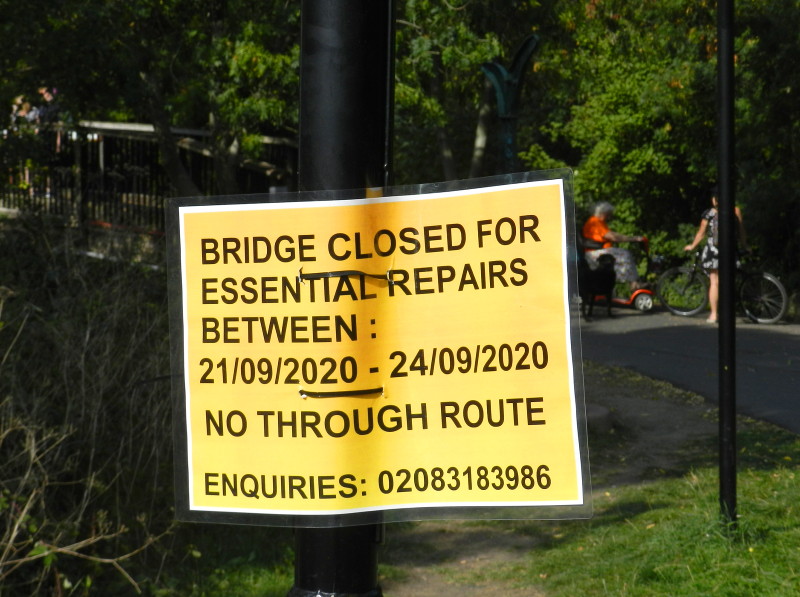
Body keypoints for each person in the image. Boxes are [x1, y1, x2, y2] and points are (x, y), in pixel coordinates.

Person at [683, 189, 748, 323]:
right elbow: (741, 231)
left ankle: (714, 314)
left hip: (713, 251)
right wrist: (745, 246)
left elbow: (701, 233)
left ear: (715, 199)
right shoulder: (735, 211)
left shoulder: (709, 213)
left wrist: (692, 246)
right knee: (728, 281)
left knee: (714, 282)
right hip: (729, 250)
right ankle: (729, 313)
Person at [582, 201, 647, 290]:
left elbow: (612, 235)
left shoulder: (599, 222)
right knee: (625, 254)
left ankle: (634, 283)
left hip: (599, 251)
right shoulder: (595, 222)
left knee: (626, 254)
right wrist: (633, 239)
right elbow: (612, 237)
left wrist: (631, 238)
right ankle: (633, 284)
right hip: (594, 253)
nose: (609, 217)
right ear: (603, 213)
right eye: (608, 214)